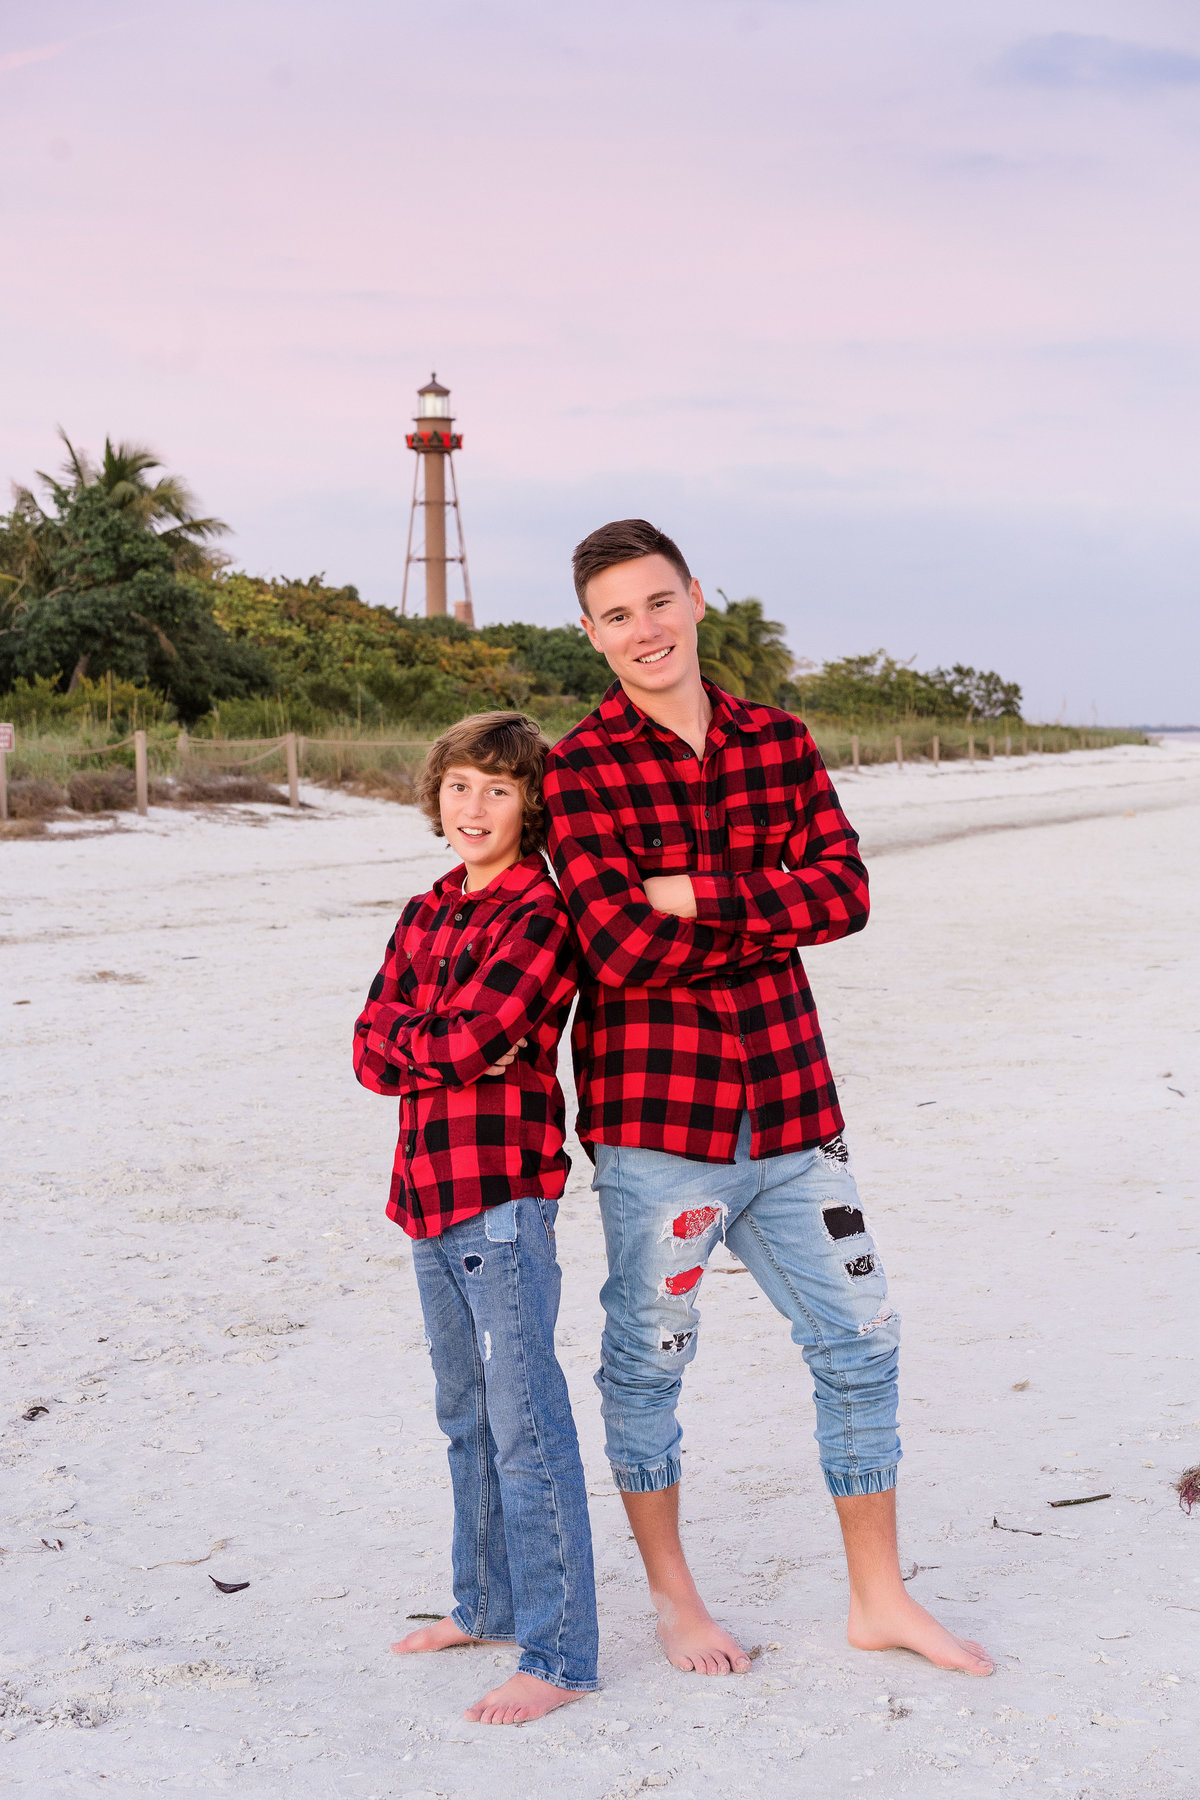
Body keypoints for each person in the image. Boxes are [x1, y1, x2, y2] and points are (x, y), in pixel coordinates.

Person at [542, 520, 994, 1680]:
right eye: (617, 615)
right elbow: (615, 944)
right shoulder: (580, 767)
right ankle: (676, 1600)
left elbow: (845, 893)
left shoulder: (779, 742)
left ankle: (878, 1599)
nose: (645, 630)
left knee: (861, 1341)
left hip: (793, 1109)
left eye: (658, 602)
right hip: (659, 1125)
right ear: (592, 636)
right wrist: (760, 909)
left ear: (695, 597)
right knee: (649, 1363)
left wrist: (694, 892)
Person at [353, 712, 599, 1724]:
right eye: (460, 786)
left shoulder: (540, 913)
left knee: (524, 1423)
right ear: (436, 795)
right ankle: (486, 1603)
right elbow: (373, 1049)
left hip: (500, 1198)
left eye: (498, 790)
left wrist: (451, 1042)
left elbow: (478, 1037)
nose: (475, 808)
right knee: (463, 1415)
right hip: (425, 1192)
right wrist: (442, 1040)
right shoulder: (424, 909)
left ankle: (561, 1653)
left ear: (530, 805)